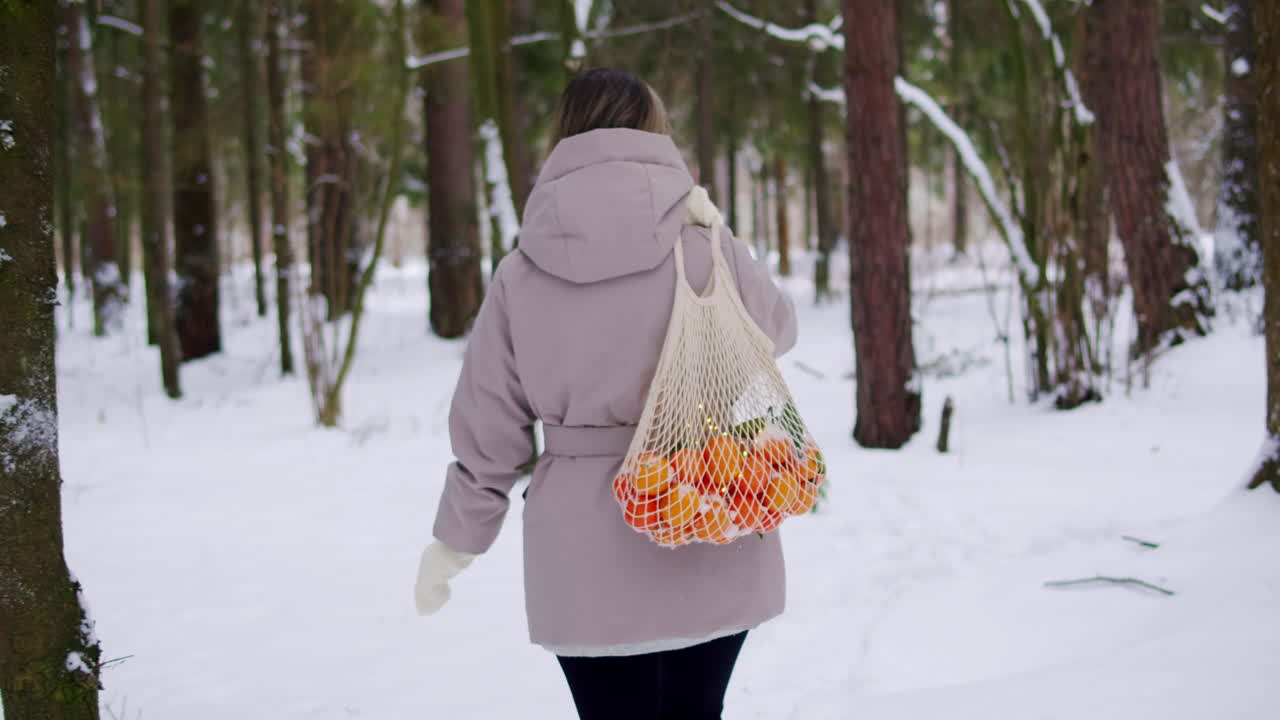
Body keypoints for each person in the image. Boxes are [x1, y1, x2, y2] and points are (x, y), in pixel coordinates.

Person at [415, 67, 798, 720]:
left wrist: (456, 542)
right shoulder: (703, 244)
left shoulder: (520, 271)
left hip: (581, 553)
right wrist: (724, 241)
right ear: (653, 134)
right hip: (702, 510)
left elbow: (490, 431)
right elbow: (779, 329)